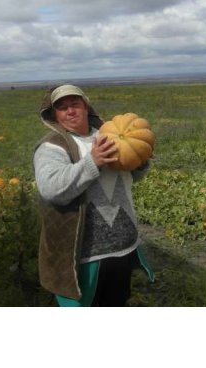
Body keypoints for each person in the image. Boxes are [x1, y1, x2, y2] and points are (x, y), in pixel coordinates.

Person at [33, 84, 154, 307]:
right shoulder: (52, 147)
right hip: (84, 256)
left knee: (116, 303)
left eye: (74, 104)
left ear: (85, 107)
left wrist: (141, 161)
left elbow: (128, 177)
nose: (70, 111)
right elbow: (52, 189)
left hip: (122, 247)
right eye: (62, 107)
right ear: (53, 115)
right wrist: (93, 162)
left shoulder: (109, 135)